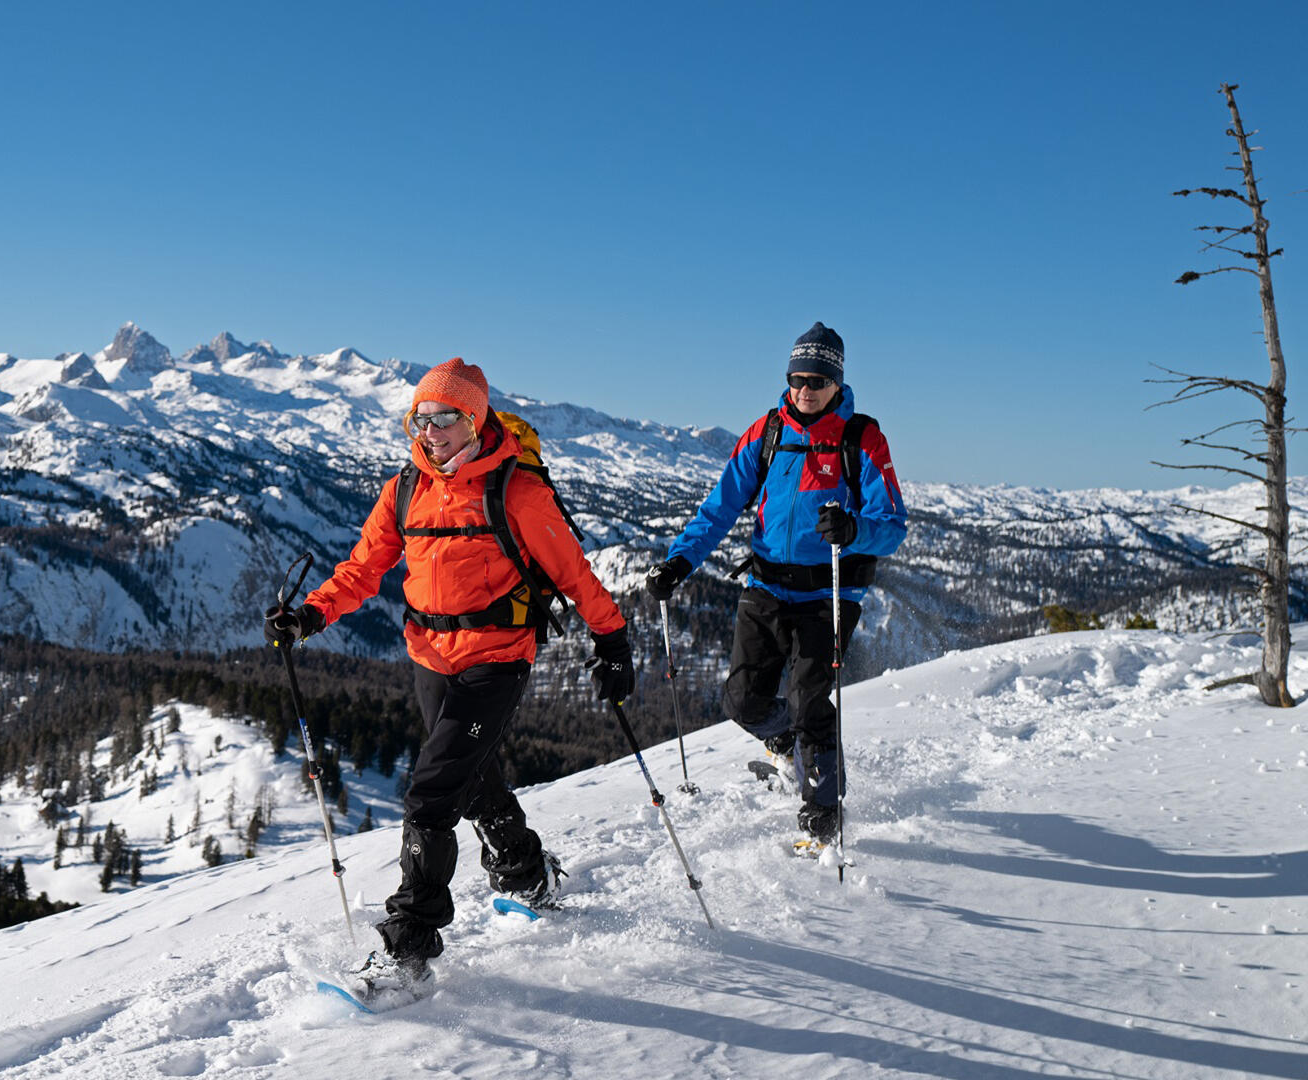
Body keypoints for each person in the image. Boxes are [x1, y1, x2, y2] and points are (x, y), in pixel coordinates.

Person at [265, 357, 633, 996]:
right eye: (420, 417)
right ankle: (524, 872)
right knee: (475, 775)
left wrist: (614, 638)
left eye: (445, 417)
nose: (430, 430)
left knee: (431, 796)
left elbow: (574, 573)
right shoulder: (405, 489)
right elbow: (363, 567)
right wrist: (310, 615)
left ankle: (407, 949)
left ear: (475, 418)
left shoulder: (516, 491)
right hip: (430, 658)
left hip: (497, 658)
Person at [644, 322, 906, 842]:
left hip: (827, 592)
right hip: (765, 586)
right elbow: (719, 507)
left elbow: (892, 527)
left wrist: (854, 530)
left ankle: (823, 812)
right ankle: (790, 748)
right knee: (742, 701)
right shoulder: (767, 432)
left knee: (811, 700)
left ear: (837, 382)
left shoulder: (861, 438)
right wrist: (679, 562)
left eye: (815, 380)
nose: (804, 390)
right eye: (795, 379)